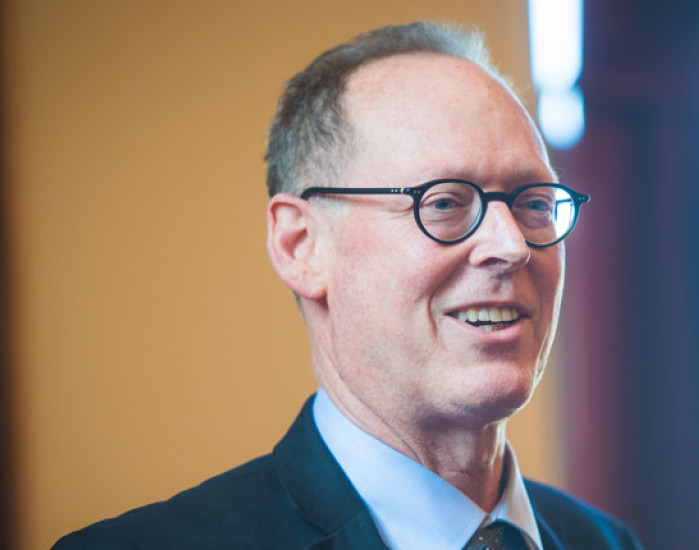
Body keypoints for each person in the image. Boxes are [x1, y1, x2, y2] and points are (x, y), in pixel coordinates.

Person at [54, 22, 641, 549]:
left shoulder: (609, 542)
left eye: (534, 202)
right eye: (443, 202)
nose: (510, 245)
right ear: (300, 246)